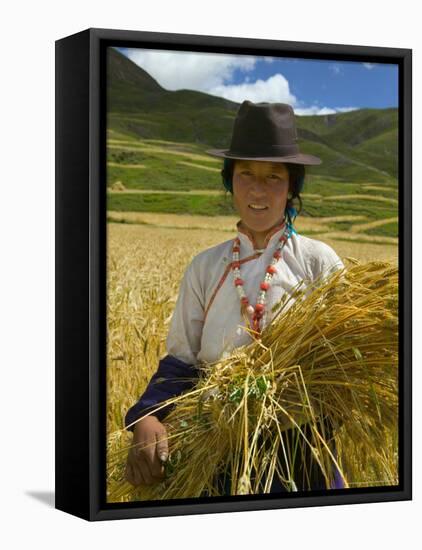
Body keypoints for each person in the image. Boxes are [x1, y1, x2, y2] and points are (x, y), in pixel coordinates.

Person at [124, 100, 345, 492]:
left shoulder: (317, 262)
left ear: (292, 184)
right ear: (230, 181)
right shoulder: (206, 268)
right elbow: (181, 361)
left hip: (302, 453)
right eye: (246, 174)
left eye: (274, 176)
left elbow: (343, 366)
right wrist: (148, 416)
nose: (258, 189)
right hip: (216, 454)